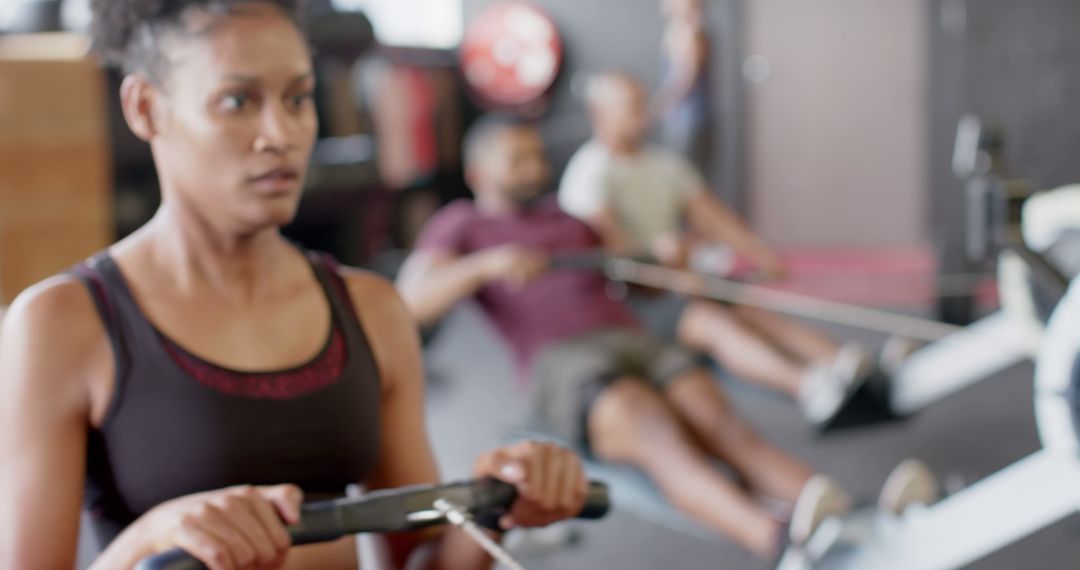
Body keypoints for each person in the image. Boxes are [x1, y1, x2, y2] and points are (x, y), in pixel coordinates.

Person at [0, 3, 589, 569]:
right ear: (146, 107)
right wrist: (150, 539)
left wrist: (498, 508)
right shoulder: (61, 322)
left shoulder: (372, 310)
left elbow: (423, 563)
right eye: (237, 101)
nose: (280, 133)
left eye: (298, 98)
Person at [396, 115, 852, 561]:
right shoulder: (462, 222)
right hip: (563, 360)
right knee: (655, 430)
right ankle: (781, 543)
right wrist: (485, 265)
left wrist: (667, 260)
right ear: (479, 172)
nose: (534, 168)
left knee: (723, 425)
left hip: (634, 339)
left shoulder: (569, 219)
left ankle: (856, 522)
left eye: (536, 156)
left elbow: (641, 284)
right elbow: (410, 302)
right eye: (517, 159)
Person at [559, 72, 874, 427]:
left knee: (749, 304)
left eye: (643, 105)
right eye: (632, 108)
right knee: (708, 322)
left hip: (680, 277)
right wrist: (668, 272)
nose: (644, 115)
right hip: (631, 300)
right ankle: (810, 388)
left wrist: (761, 254)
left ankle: (846, 364)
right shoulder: (589, 175)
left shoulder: (663, 164)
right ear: (600, 114)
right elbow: (615, 255)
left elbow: (713, 217)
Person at [654, 0, 713, 176]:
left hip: (686, 120)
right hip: (685, 119)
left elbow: (685, 79)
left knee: (684, 176)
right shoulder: (682, 32)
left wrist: (659, 104)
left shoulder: (688, 35)